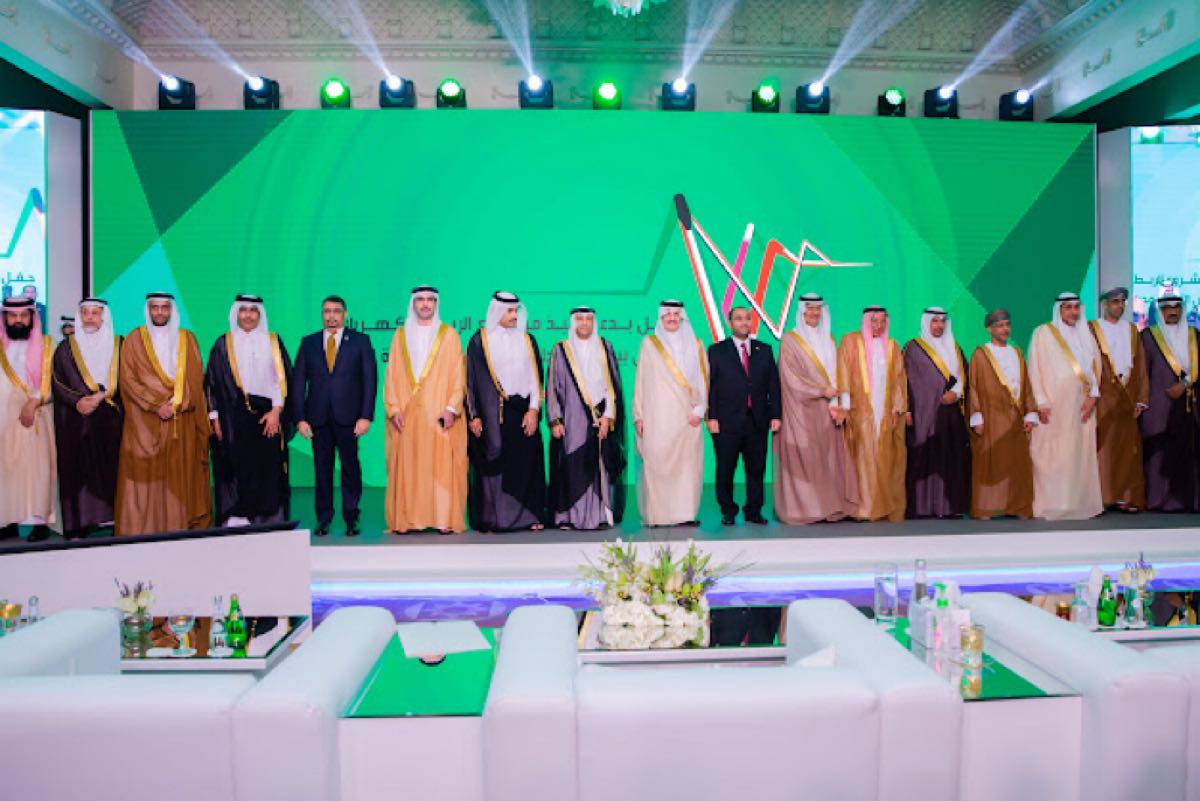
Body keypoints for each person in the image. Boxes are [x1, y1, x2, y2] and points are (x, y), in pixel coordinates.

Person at [114, 292, 211, 535]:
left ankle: (178, 524)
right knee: (146, 475)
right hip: (144, 421)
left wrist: (177, 403)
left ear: (171, 310)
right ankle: (145, 526)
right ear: (148, 310)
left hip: (181, 420)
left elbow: (195, 378)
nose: (159, 312)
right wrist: (156, 404)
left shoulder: (187, 338)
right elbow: (128, 380)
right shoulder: (134, 339)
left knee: (179, 474)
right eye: (155, 307)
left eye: (164, 307)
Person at [384, 286, 467, 534]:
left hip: (439, 413)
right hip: (408, 414)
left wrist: (451, 408)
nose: (425, 304)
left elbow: (458, 375)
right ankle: (408, 520)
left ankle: (442, 519)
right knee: (410, 467)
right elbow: (391, 375)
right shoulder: (400, 335)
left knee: (440, 467)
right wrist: (393, 409)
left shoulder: (449, 335)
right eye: (420, 299)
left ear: (436, 303)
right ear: (413, 303)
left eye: (430, 299)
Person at [291, 295, 376, 537]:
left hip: (349, 418)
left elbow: (370, 380)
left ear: (345, 314)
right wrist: (300, 418)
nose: (331, 316)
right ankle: (324, 518)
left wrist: (366, 416)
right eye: (326, 311)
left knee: (350, 469)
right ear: (322, 314)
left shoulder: (360, 341)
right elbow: (298, 383)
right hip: (317, 419)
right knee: (322, 470)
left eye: (336, 311)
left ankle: (352, 517)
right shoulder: (308, 343)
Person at [206, 294, 294, 528]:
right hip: (233, 416)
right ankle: (237, 514)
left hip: (268, 414)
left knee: (268, 466)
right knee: (237, 464)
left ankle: (268, 517)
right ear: (236, 313)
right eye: (243, 310)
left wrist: (276, 412)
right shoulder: (223, 344)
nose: (248, 315)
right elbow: (211, 383)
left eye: (253, 310)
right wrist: (215, 419)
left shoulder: (272, 342)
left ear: (260, 314)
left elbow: (283, 380)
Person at [773, 293, 858, 524]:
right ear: (801, 311)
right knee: (806, 459)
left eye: (818, 309)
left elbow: (838, 373)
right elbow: (791, 379)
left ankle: (829, 507)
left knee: (828, 460)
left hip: (828, 410)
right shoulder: (790, 340)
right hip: (801, 411)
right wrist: (821, 391)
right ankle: (805, 509)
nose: (814, 313)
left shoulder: (829, 339)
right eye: (809, 308)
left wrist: (840, 404)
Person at [465, 291, 546, 532]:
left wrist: (534, 410)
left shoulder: (527, 340)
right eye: (509, 311)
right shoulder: (479, 341)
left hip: (523, 413)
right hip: (493, 415)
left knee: (526, 463)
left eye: (516, 311)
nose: (514, 315)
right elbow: (469, 381)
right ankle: (496, 519)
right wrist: (473, 415)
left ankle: (530, 517)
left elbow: (536, 379)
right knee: (495, 464)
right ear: (497, 311)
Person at [547, 306, 626, 530]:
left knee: (599, 466)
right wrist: (555, 420)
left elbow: (612, 387)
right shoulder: (561, 349)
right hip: (571, 419)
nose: (584, 323)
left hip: (600, 416)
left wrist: (608, 417)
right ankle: (569, 517)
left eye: (589, 319)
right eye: (580, 319)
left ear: (594, 322)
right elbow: (552, 387)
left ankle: (600, 516)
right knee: (572, 465)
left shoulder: (604, 347)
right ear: (573, 322)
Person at [1027, 292, 1103, 520]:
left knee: (1078, 455)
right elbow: (1034, 369)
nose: (1073, 312)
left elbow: (1096, 367)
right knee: (1052, 454)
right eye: (1068, 307)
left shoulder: (1087, 335)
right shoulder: (1043, 333)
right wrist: (1041, 402)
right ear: (1059, 310)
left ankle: (1078, 504)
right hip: (1053, 406)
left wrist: (1093, 396)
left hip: (1082, 405)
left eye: (1076, 307)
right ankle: (1053, 504)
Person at [51, 298, 122, 539]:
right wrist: (78, 401)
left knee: (111, 470)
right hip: (76, 421)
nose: (90, 317)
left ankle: (113, 520)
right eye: (85, 313)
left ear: (104, 317)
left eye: (95, 313)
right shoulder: (65, 348)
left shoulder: (119, 345)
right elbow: (57, 381)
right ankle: (78, 524)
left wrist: (101, 397)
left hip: (111, 419)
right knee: (77, 472)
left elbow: (127, 377)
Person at [632, 300, 706, 527]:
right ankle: (657, 516)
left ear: (682, 317)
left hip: (687, 417)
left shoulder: (696, 344)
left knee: (687, 468)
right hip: (657, 416)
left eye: (676, 314)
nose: (672, 318)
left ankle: (685, 515)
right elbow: (641, 381)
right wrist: (639, 415)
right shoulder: (649, 344)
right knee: (656, 465)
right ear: (661, 318)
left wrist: (700, 410)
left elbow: (703, 379)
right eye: (668, 314)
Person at [706, 306, 781, 526]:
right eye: (738, 319)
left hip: (757, 421)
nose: (744, 322)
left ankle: (753, 511)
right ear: (730, 323)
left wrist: (776, 415)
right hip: (725, 421)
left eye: (747, 318)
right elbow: (711, 387)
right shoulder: (716, 351)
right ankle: (728, 510)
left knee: (756, 469)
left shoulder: (764, 350)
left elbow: (774, 385)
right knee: (725, 469)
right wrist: (711, 417)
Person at [837, 305, 907, 522]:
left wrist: (896, 408)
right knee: (861, 456)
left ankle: (880, 506)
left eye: (882, 321)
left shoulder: (892, 346)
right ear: (866, 321)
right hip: (858, 410)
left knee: (883, 457)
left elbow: (898, 380)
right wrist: (845, 407)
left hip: (883, 410)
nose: (878, 326)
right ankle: (862, 508)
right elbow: (843, 373)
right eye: (874, 321)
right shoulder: (850, 341)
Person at [968, 309, 1039, 519]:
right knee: (991, 462)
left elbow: (1026, 385)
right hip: (991, 417)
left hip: (1015, 417)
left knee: (1016, 463)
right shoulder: (981, 353)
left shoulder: (1017, 352)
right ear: (989, 329)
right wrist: (977, 416)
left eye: (1007, 324)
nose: (1005, 329)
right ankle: (987, 507)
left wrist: (1030, 414)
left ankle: (1016, 506)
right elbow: (973, 387)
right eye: (999, 326)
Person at [903, 306, 970, 519]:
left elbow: (965, 376)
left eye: (942, 321)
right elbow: (905, 382)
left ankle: (949, 507)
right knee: (925, 458)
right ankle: (922, 507)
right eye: (935, 321)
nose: (939, 325)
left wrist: (956, 393)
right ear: (926, 323)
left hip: (951, 414)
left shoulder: (955, 348)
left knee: (951, 458)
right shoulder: (913, 348)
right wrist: (909, 409)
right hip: (923, 416)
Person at [1088, 287, 1149, 511]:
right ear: (1104, 304)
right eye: (1115, 302)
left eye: (1122, 302)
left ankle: (1125, 497)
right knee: (1103, 447)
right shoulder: (1092, 329)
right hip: (1102, 395)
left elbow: (1140, 365)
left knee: (1127, 449)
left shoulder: (1131, 329)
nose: (1120, 306)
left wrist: (1141, 399)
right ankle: (1102, 498)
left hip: (1127, 395)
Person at [0, 297, 56, 541]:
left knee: (36, 472)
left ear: (32, 317)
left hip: (35, 417)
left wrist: (34, 402)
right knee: (7, 472)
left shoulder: (47, 346)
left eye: (24, 315)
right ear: (5, 318)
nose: (18, 320)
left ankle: (39, 523)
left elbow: (53, 381)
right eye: (13, 316)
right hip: (3, 419)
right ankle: (8, 521)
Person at [1140, 293, 1200, 512]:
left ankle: (1188, 501)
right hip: (1159, 405)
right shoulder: (1148, 336)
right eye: (1167, 308)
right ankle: (1158, 499)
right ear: (1160, 311)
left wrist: (1184, 385)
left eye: (1176, 308)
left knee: (1188, 451)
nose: (1173, 312)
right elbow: (1141, 373)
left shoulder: (1194, 335)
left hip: (1189, 403)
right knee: (1158, 451)